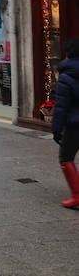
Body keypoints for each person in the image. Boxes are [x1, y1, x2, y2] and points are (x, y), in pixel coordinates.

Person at [52, 38, 79, 209]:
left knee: (66, 157)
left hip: (75, 124)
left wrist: (56, 129)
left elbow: (61, 106)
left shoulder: (65, 76)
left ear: (68, 53)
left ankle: (77, 196)